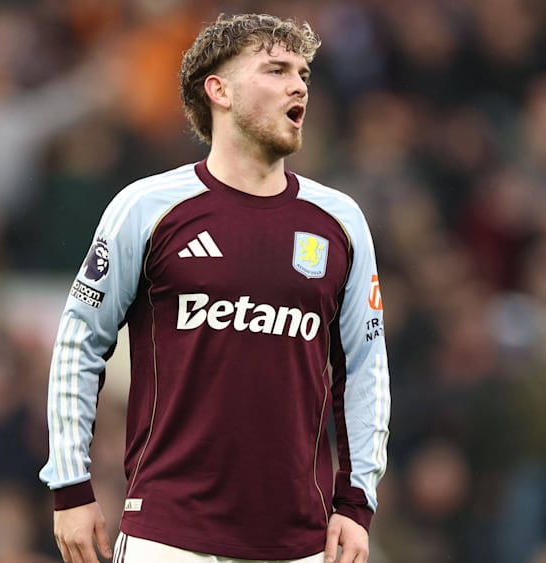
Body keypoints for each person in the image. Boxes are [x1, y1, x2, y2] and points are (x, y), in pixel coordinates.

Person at [39, 13, 390, 563]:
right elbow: (77, 344)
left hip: (299, 542)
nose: (299, 86)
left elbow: (366, 371)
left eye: (303, 74)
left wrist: (356, 502)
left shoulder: (340, 222)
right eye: (276, 70)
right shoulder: (147, 208)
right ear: (219, 91)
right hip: (166, 537)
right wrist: (70, 486)